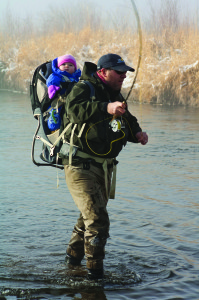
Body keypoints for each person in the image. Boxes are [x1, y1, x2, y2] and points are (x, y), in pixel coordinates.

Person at [61, 53, 148, 280]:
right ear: (102, 71)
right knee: (98, 221)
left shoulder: (114, 94)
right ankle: (95, 279)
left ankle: (71, 263)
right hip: (79, 165)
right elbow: (74, 111)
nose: (123, 76)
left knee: (87, 217)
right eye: (118, 72)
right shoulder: (84, 88)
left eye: (125, 72)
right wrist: (106, 108)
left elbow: (126, 119)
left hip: (103, 168)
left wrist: (137, 133)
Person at [46, 54, 81, 132]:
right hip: (59, 101)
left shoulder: (76, 78)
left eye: (70, 65)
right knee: (55, 114)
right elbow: (50, 81)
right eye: (63, 64)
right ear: (58, 67)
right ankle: (54, 128)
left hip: (71, 101)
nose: (67, 66)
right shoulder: (56, 75)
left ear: (75, 68)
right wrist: (53, 88)